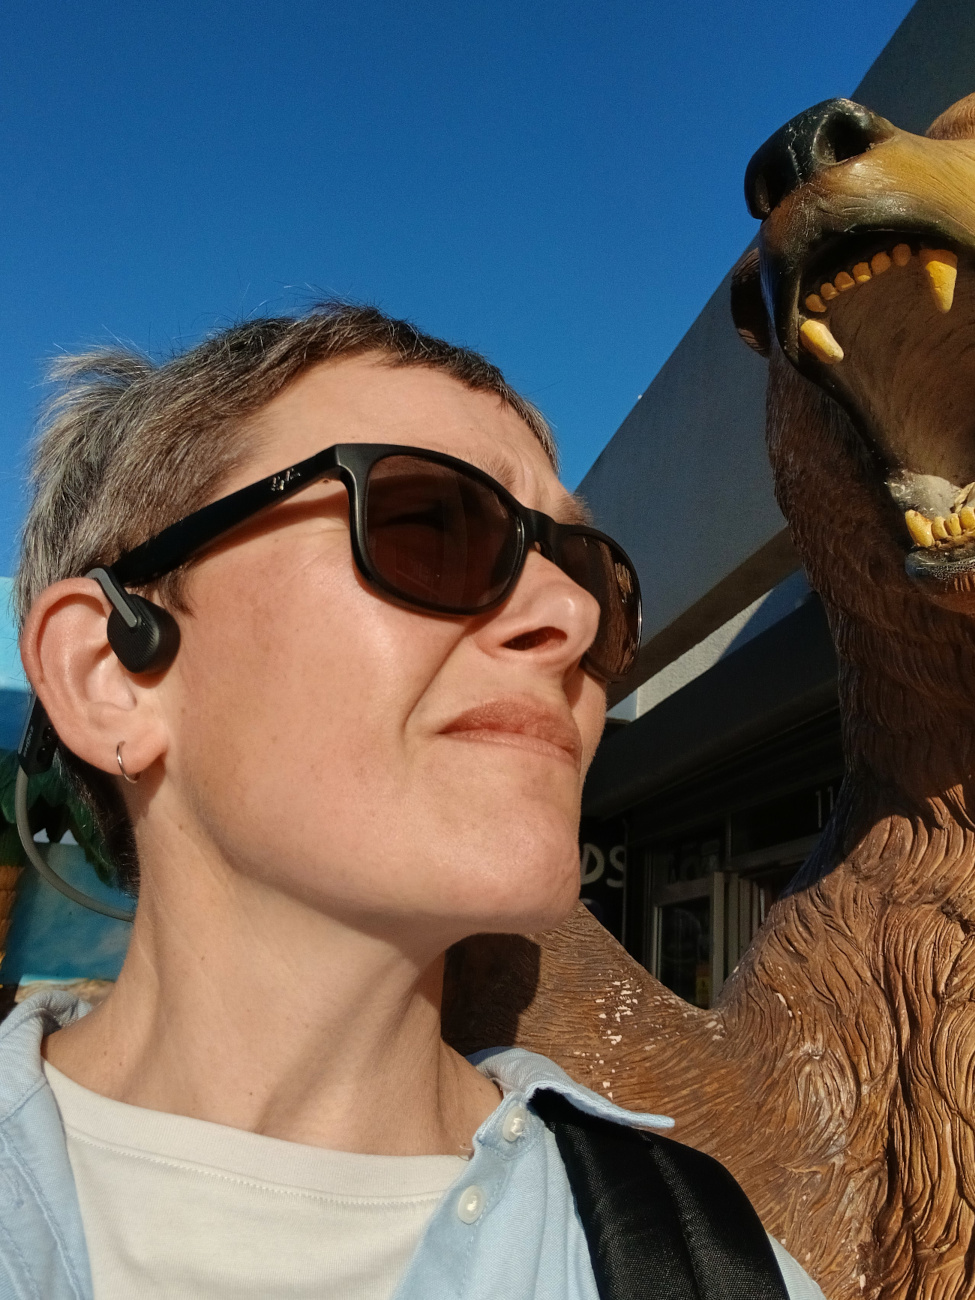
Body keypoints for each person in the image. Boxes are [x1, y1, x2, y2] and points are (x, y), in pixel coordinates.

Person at [2, 304, 825, 1300]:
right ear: (110, 674)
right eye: (432, 526)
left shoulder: (708, 1266)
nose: (569, 616)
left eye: (592, 575)